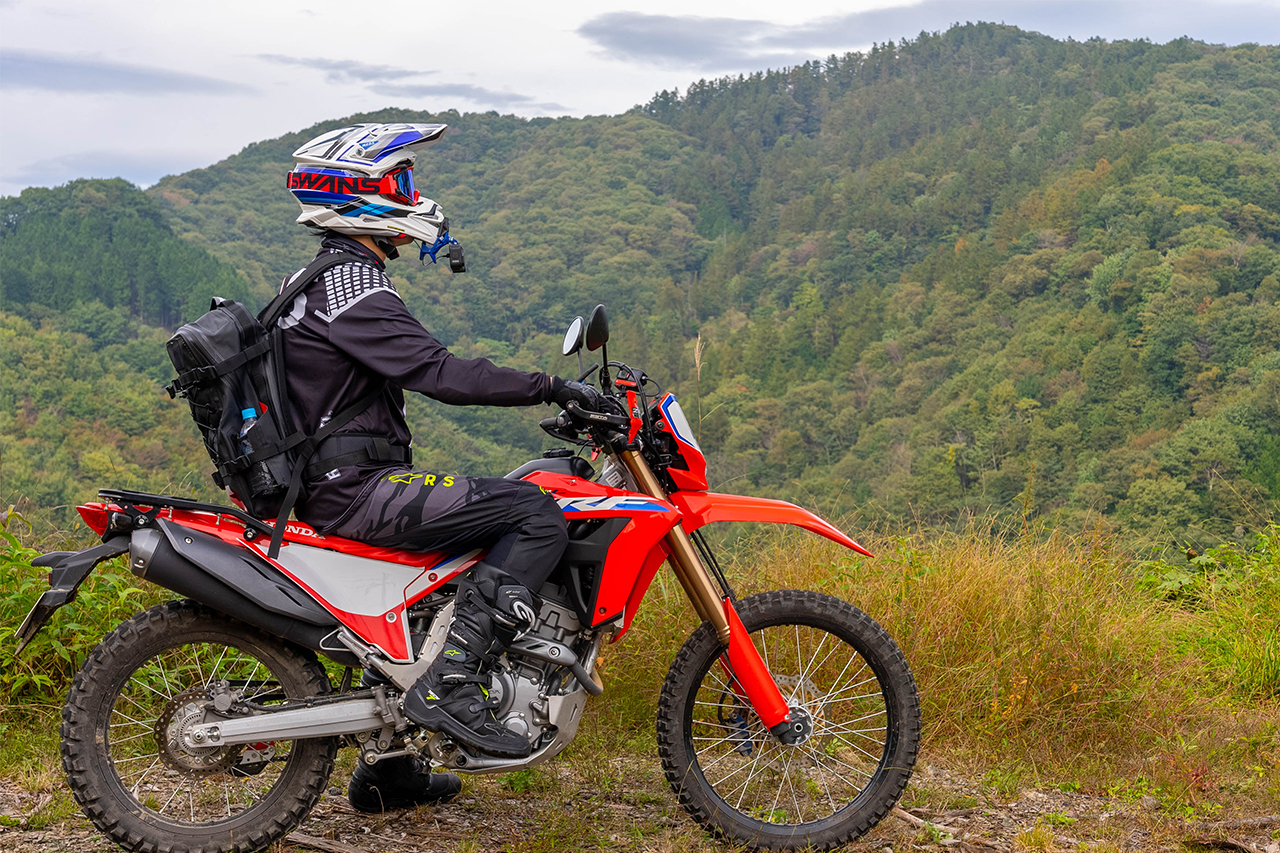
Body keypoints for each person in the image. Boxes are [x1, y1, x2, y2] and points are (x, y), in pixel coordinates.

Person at [279, 123, 599, 812]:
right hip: (357, 492)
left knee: (452, 570)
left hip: (336, 485)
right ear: (355, 194)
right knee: (532, 509)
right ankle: (452, 683)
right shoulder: (352, 286)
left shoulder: (315, 279)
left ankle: (392, 769)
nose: (414, 196)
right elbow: (439, 372)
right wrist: (550, 385)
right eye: (399, 182)